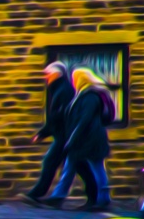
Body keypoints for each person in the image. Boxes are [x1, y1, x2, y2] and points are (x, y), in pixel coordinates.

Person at [45, 67, 116, 211]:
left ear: (81, 79)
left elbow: (84, 120)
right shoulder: (81, 95)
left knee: (97, 168)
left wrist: (73, 138)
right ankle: (57, 196)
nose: (73, 81)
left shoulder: (90, 96)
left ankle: (103, 199)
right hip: (79, 140)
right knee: (69, 168)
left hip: (90, 140)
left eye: (75, 78)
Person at [22, 61, 75, 206]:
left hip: (65, 135)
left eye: (48, 74)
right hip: (63, 135)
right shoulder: (59, 89)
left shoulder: (63, 90)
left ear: (57, 74)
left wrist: (43, 132)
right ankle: (96, 197)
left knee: (52, 162)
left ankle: (37, 194)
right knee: (77, 166)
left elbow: (58, 115)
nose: (46, 77)